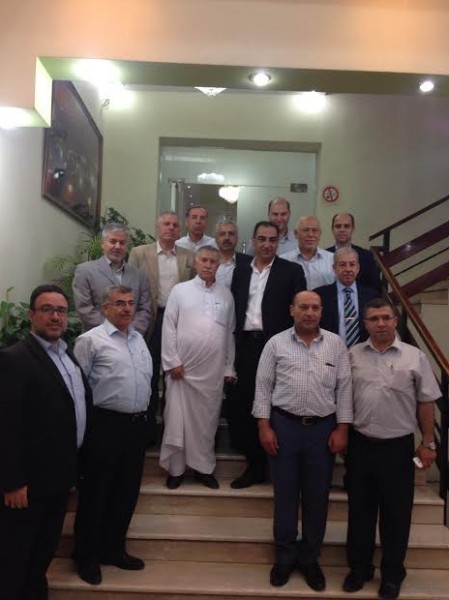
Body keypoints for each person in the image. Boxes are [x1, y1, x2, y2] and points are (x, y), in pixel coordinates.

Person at [253, 290, 353, 592]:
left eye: (315, 308)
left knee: (317, 497)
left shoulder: (335, 344)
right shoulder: (275, 344)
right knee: (285, 495)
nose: (310, 313)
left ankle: (310, 558)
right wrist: (264, 426)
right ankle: (284, 557)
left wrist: (342, 429)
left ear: (321, 311)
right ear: (292, 310)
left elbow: (344, 389)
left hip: (322, 431)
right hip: (284, 427)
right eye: (304, 307)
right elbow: (263, 386)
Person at [343, 298, 440, 600]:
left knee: (396, 516)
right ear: (365, 324)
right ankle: (359, 569)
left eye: (386, 317)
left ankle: (392, 574)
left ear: (396, 321)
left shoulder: (414, 357)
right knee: (360, 511)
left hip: (397, 448)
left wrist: (428, 442)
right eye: (374, 319)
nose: (381, 323)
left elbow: (426, 401)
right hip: (360, 445)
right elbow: (343, 398)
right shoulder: (353, 355)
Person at [0, 284, 91, 600]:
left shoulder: (67, 356)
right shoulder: (14, 359)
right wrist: (12, 482)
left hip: (59, 479)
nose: (55, 317)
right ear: (31, 315)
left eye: (61, 311)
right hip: (27, 486)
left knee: (43, 552)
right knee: (15, 558)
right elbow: (5, 425)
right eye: (47, 309)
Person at [73, 285, 153, 586]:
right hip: (104, 426)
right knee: (96, 493)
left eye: (130, 303)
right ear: (105, 308)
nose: (127, 308)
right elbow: (77, 390)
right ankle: (86, 557)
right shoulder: (90, 341)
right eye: (119, 303)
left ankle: (114, 549)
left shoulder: (138, 339)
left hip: (135, 427)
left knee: (126, 492)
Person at [228, 221, 306, 488]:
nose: (267, 244)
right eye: (262, 239)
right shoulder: (240, 270)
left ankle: (279, 464)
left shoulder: (291, 271)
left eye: (272, 240)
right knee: (247, 402)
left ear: (278, 242)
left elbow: (299, 310)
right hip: (246, 345)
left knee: (277, 403)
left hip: (278, 345)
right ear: (253, 241)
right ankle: (255, 464)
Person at [159, 246, 236, 490]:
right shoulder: (179, 291)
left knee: (206, 424)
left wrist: (229, 367)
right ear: (195, 262)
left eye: (213, 261)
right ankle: (176, 470)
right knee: (177, 420)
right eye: (204, 260)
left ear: (218, 265)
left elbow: (229, 333)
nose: (208, 264)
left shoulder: (226, 295)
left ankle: (204, 469)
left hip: (212, 374)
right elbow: (168, 327)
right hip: (181, 371)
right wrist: (172, 361)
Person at [128, 211, 195, 445]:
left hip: (178, 321)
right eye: (166, 224)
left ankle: (171, 431)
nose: (171, 228)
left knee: (174, 376)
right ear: (158, 227)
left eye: (175, 225)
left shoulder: (189, 256)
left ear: (180, 230)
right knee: (147, 371)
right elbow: (130, 288)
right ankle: (147, 431)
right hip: (149, 319)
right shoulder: (139, 253)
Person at [72, 222, 151, 335]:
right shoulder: (85, 271)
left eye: (122, 243)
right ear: (102, 244)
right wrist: (112, 332)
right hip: (97, 338)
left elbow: (145, 310)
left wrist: (130, 332)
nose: (117, 246)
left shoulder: (139, 276)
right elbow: (84, 309)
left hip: (131, 338)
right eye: (113, 241)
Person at [314, 247, 378, 347]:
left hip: (364, 352)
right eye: (342, 265)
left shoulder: (371, 296)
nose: (348, 269)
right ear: (334, 268)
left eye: (352, 265)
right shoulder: (320, 296)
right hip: (329, 351)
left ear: (358, 268)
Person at [327, 212, 381, 292]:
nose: (342, 230)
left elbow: (375, 287)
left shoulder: (366, 256)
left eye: (346, 226)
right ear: (332, 229)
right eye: (338, 226)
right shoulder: (323, 256)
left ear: (353, 229)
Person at [281, 215, 335, 289]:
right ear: (296, 234)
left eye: (315, 230)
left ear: (320, 234)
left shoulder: (332, 259)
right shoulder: (283, 260)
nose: (310, 234)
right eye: (306, 230)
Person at [215, 217, 251, 288]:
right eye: (222, 234)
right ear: (216, 238)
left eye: (231, 234)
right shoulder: (207, 262)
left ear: (237, 238)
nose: (227, 238)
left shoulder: (249, 263)